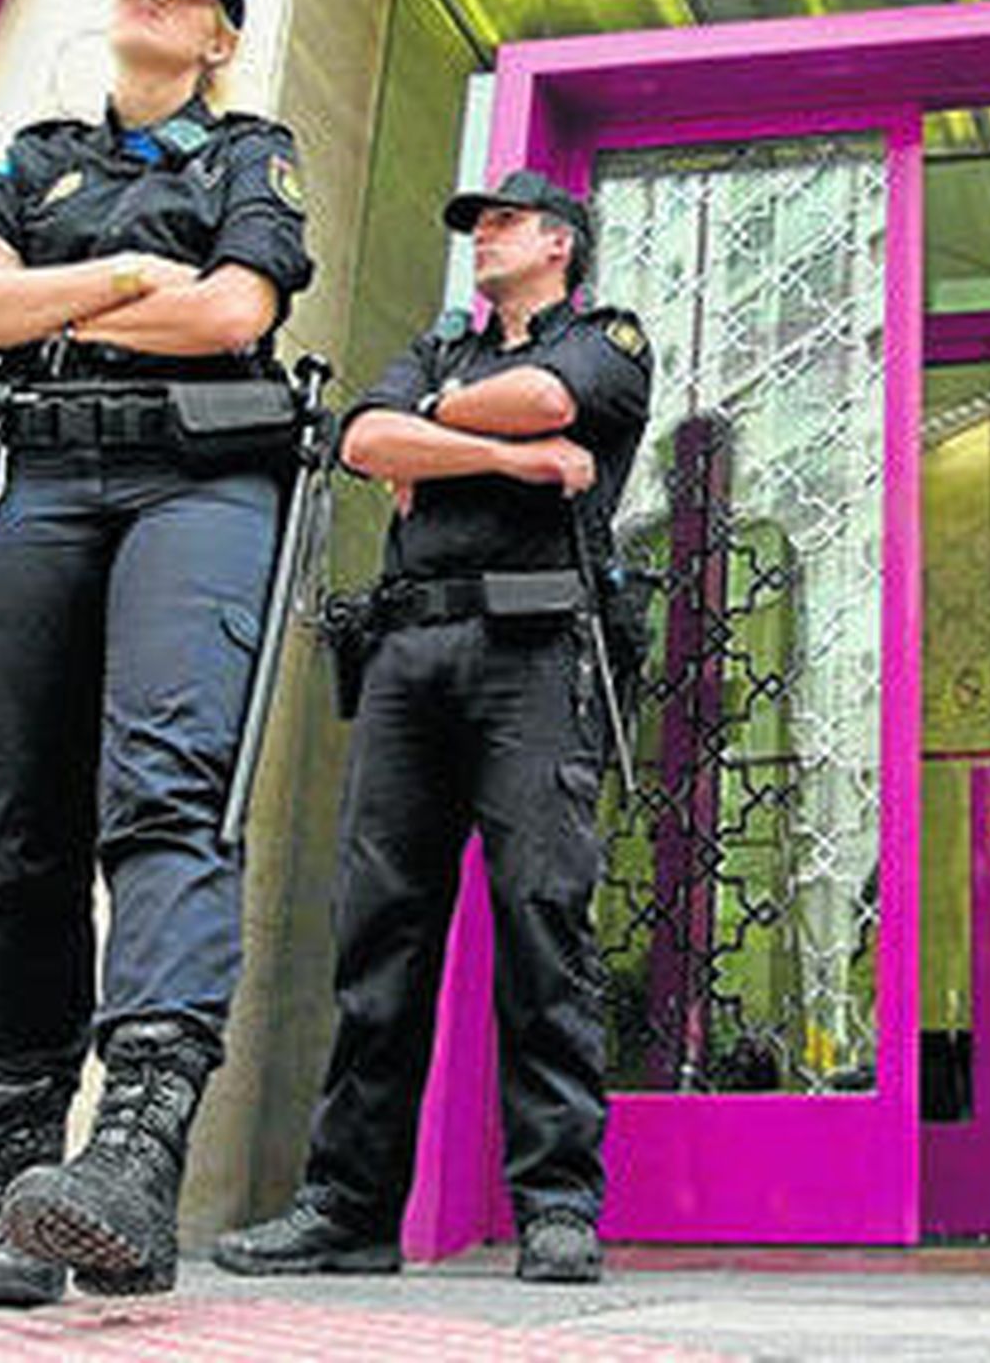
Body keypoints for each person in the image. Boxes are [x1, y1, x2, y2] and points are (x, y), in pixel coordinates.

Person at [0, 0, 314, 1307]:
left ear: (218, 38)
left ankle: (131, 1158)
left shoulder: (248, 155)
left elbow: (233, 311)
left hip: (194, 480)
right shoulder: (36, 158)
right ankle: (20, 1189)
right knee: (23, 826)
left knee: (166, 789)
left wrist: (59, 298)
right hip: (29, 478)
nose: (153, 0)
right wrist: (131, 281)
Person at [212, 168, 651, 1287]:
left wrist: (438, 424)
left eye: (502, 223)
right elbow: (363, 441)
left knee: (542, 920)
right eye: (478, 226)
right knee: (379, 932)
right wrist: (505, 459)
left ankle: (556, 1203)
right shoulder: (436, 343)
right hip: (409, 658)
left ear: (558, 242)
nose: (483, 239)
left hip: (535, 658)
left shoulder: (608, 338)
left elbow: (551, 402)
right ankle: (348, 1210)